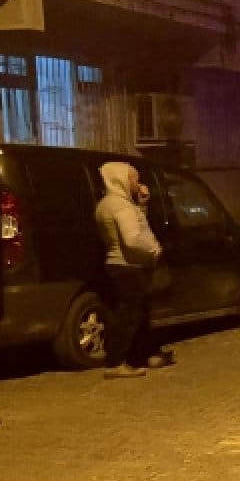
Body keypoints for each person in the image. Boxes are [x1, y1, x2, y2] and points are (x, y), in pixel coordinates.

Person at [95, 162, 168, 379]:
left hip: (119, 264)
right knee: (129, 316)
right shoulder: (122, 207)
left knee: (139, 314)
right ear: (121, 180)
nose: (138, 183)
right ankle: (116, 362)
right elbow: (133, 238)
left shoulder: (107, 204)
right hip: (130, 266)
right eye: (134, 178)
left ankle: (144, 354)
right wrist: (154, 249)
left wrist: (141, 205)